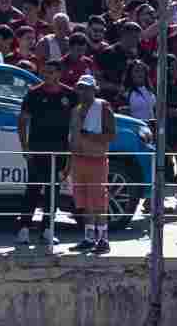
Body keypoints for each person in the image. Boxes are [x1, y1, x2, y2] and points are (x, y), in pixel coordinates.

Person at [16, 57, 77, 246]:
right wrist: (25, 147)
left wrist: (71, 154)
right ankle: (24, 228)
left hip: (59, 150)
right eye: (45, 72)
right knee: (33, 188)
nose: (48, 75)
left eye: (52, 72)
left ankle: (48, 229)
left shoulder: (70, 95)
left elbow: (74, 126)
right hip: (37, 148)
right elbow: (23, 121)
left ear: (59, 73)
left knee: (53, 190)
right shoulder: (34, 93)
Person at [68, 74, 115, 254]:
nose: (83, 91)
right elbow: (72, 136)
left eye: (87, 88)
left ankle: (103, 239)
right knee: (84, 200)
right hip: (78, 159)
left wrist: (90, 136)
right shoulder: (76, 110)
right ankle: (89, 238)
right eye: (81, 87)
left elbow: (111, 134)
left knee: (99, 201)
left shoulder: (103, 107)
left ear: (95, 89)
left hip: (96, 159)